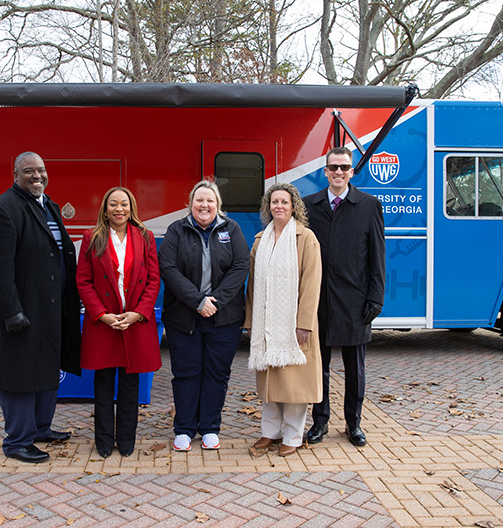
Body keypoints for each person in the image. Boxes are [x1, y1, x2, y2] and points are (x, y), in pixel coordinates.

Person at [0, 151, 81, 463]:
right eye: (28, 172)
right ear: (15, 176)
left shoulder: (48, 205)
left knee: (46, 367)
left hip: (48, 307)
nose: (37, 177)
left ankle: (40, 428)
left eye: (41, 171)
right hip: (21, 310)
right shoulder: (1, 209)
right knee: (19, 374)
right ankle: (18, 441)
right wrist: (10, 311)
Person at [158, 180, 250, 452]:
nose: (204, 205)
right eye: (199, 200)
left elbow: (240, 266)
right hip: (184, 318)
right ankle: (184, 429)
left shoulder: (231, 230)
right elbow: (169, 268)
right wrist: (198, 301)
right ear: (191, 203)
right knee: (186, 373)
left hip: (224, 319)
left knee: (216, 374)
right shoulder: (177, 230)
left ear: (218, 205)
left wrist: (216, 302)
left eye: (210, 200)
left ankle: (210, 427)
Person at [303, 146, 385, 447]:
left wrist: (375, 298)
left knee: (355, 369)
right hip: (318, 302)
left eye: (344, 167)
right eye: (333, 167)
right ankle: (319, 422)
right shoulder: (309, 206)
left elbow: (378, 257)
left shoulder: (368, 205)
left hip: (355, 302)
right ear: (325, 171)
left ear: (352, 171)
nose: (339, 172)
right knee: (318, 367)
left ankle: (354, 423)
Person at [76, 187, 161, 458]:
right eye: (113, 204)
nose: (119, 209)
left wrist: (139, 313)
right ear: (105, 208)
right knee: (102, 383)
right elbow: (84, 281)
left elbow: (153, 280)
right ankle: (103, 441)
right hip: (104, 322)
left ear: (131, 208)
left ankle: (126, 440)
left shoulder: (145, 237)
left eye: (124, 204)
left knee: (130, 384)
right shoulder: (92, 237)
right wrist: (101, 315)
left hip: (134, 321)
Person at [244, 183, 322, 457]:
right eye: (274, 202)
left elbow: (311, 284)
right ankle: (270, 433)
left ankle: (293, 435)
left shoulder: (306, 238)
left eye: (284, 202)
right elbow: (253, 285)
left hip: (294, 327)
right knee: (270, 384)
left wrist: (304, 324)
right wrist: (251, 321)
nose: (279, 206)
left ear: (294, 207)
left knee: (293, 385)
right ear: (268, 207)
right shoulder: (259, 240)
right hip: (266, 326)